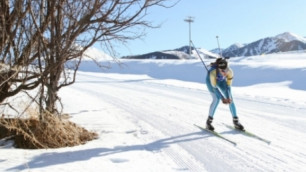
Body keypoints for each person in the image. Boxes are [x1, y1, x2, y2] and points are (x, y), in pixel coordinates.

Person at [205, 58, 244, 131]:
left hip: (221, 81)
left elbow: (228, 87)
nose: (225, 72)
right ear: (218, 68)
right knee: (216, 99)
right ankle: (208, 122)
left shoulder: (230, 72)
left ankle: (236, 121)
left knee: (231, 100)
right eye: (222, 70)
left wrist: (228, 98)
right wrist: (223, 98)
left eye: (226, 69)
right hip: (211, 82)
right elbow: (215, 88)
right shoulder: (213, 73)